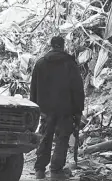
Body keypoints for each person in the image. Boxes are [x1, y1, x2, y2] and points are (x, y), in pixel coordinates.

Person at [30, 36, 85, 179]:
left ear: (51, 45)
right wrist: (78, 110)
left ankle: (39, 170)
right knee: (62, 138)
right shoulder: (70, 63)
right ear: (63, 45)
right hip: (65, 109)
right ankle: (55, 170)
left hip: (45, 109)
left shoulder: (40, 63)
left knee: (45, 137)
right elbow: (78, 89)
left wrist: (35, 108)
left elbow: (33, 88)